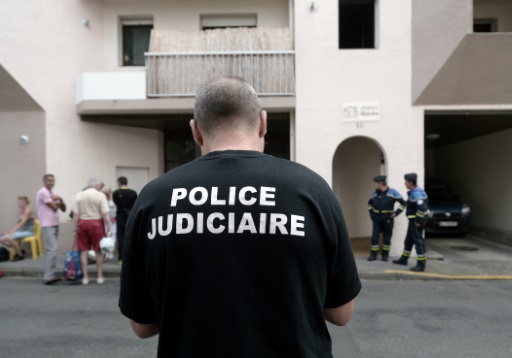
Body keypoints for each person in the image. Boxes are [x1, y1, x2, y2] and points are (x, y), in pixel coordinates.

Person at [119, 77, 361, 357]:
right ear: (262, 123)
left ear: (196, 131)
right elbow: (342, 312)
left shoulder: (153, 199)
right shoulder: (312, 191)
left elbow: (142, 325)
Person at [74, 178, 112, 285]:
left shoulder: (79, 195)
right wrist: (109, 227)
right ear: (97, 185)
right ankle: (99, 276)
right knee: (98, 251)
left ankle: (85, 277)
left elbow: (76, 214)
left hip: (82, 223)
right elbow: (105, 213)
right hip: (96, 223)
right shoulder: (100, 195)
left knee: (83, 251)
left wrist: (74, 228)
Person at [393, 173, 430, 272]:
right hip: (413, 222)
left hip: (416, 223)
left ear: (410, 183)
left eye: (406, 182)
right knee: (408, 241)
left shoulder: (416, 194)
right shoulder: (414, 192)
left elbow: (422, 209)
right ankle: (403, 259)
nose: (404, 183)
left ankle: (421, 265)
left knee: (419, 243)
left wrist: (418, 221)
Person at [36, 174, 67, 285]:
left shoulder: (53, 193)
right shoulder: (43, 192)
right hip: (47, 224)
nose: (52, 183)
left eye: (53, 181)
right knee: (52, 249)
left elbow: (63, 209)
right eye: (49, 181)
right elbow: (54, 207)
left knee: (52, 250)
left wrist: (60, 199)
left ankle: (51, 275)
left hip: (55, 224)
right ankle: (48, 276)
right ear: (44, 181)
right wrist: (57, 201)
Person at [367, 175, 406, 262]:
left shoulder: (393, 192)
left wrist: (396, 213)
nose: (375, 185)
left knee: (387, 237)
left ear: (381, 184)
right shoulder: (375, 193)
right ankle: (373, 255)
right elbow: (369, 204)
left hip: (388, 218)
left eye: (376, 184)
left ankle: (385, 255)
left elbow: (403, 203)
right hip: (377, 218)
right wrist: (372, 214)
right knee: (375, 237)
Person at [1, 196, 36, 261]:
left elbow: (22, 223)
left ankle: (20, 255)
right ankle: (16, 248)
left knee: (10, 238)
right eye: (18, 201)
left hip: (29, 231)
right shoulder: (20, 211)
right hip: (22, 231)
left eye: (19, 201)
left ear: (25, 202)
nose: (18, 203)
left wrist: (11, 232)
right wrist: (8, 232)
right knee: (1, 238)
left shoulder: (28, 210)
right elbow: (18, 224)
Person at [112, 176, 137, 265]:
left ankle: (121, 258)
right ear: (126, 182)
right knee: (131, 237)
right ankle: (131, 257)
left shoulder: (115, 193)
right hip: (131, 217)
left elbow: (115, 203)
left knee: (121, 238)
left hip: (120, 217)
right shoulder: (133, 193)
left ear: (119, 182)